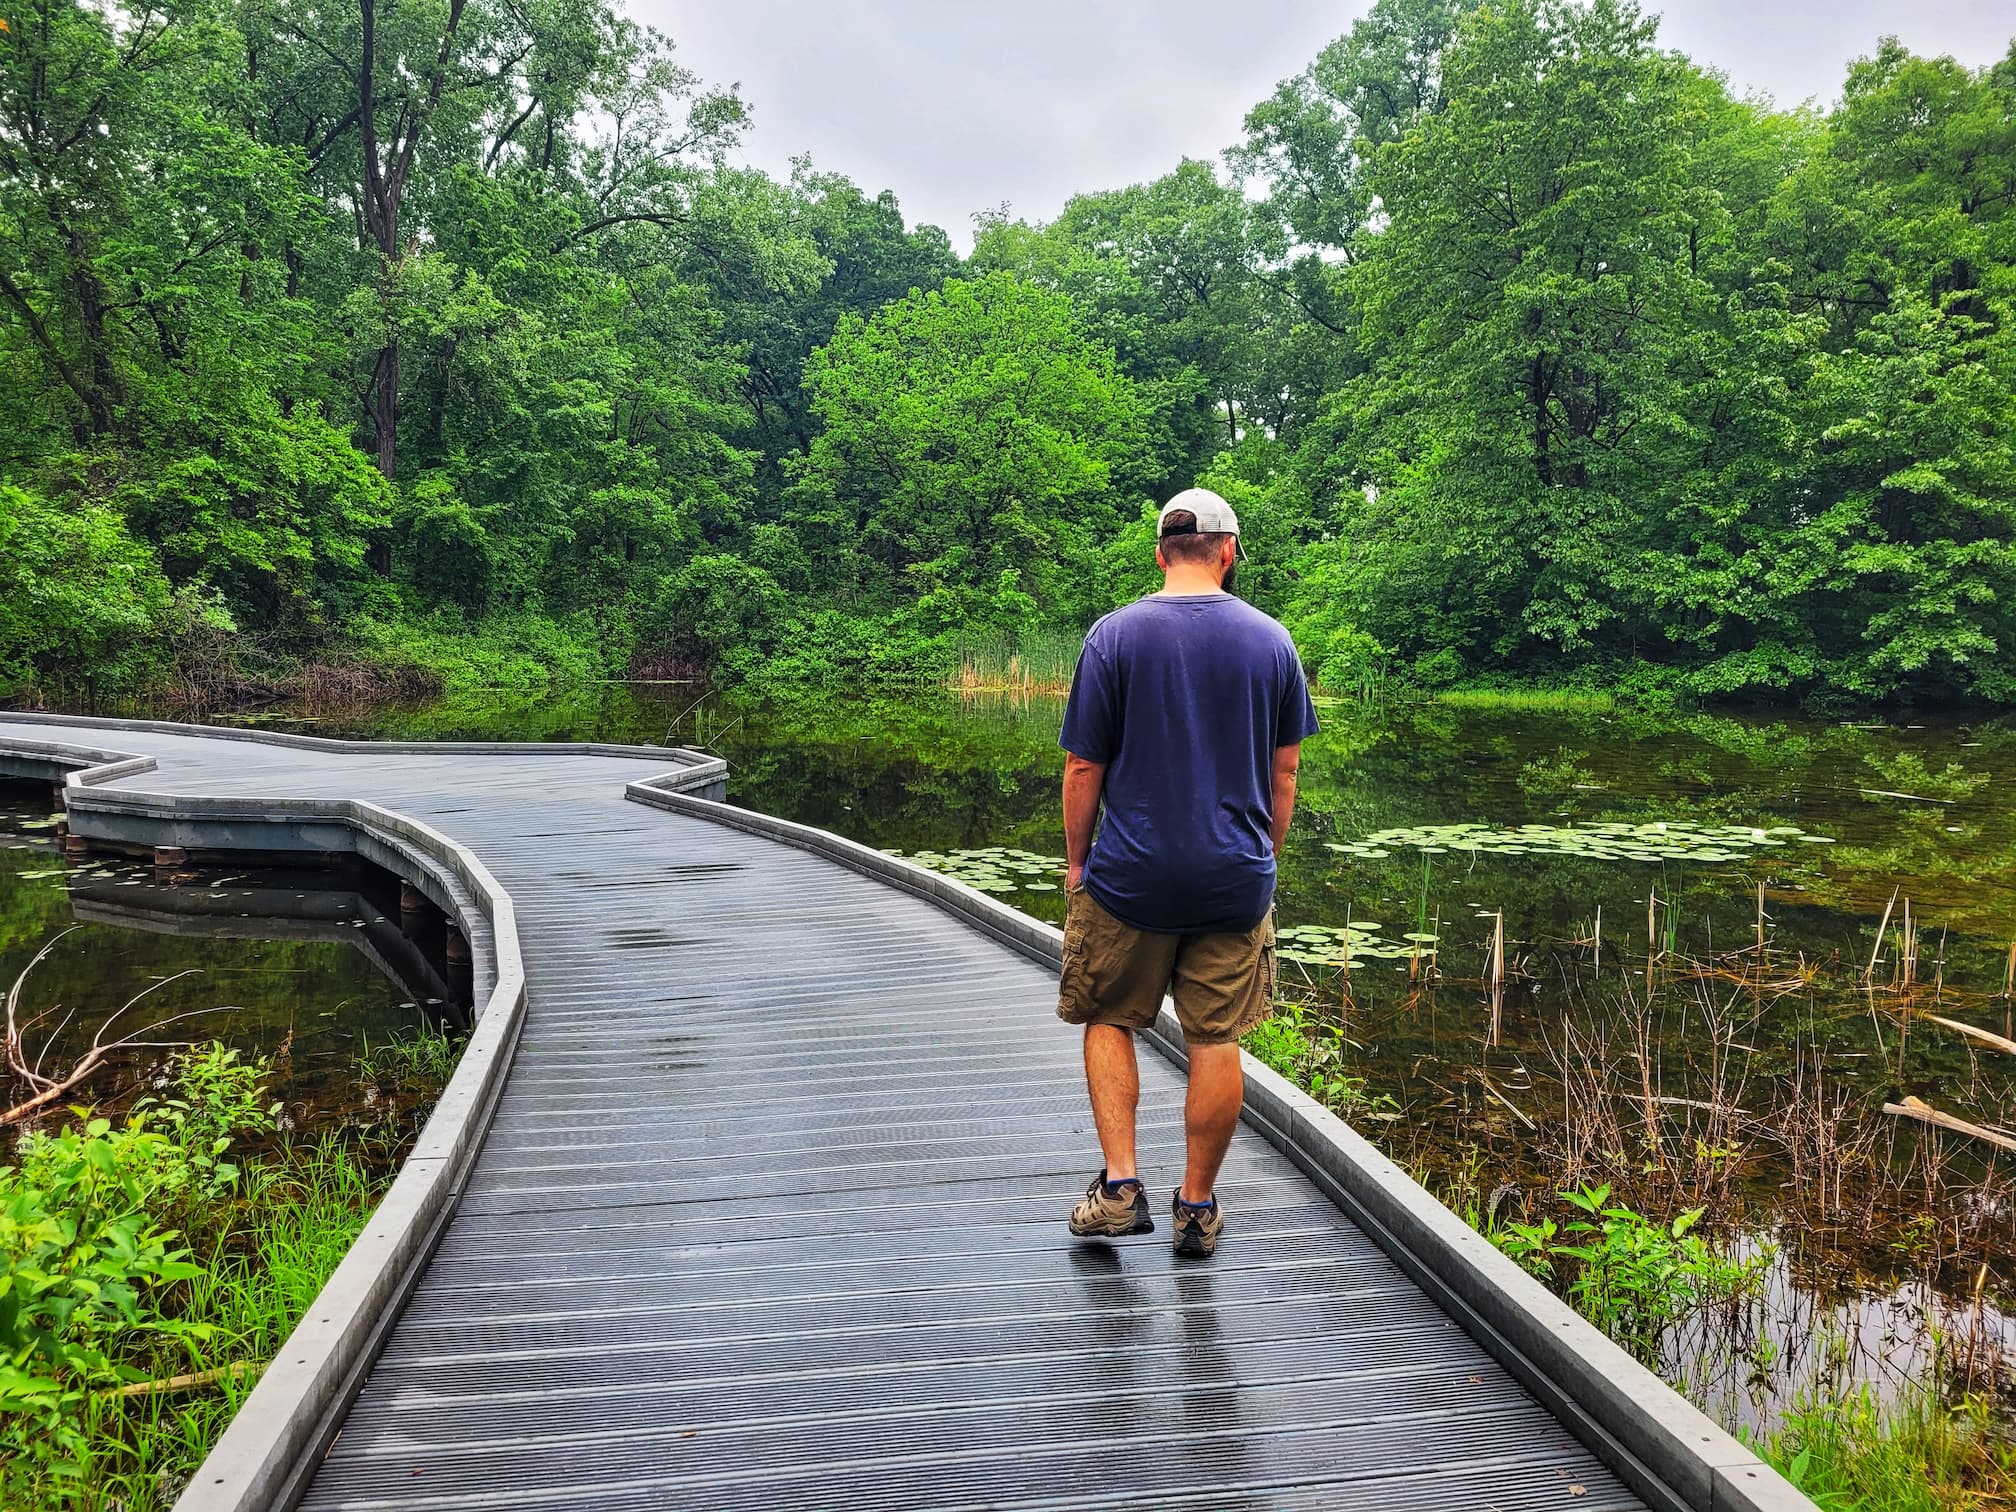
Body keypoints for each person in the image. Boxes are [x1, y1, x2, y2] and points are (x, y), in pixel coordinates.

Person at [1056, 487, 1320, 1258]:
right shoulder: (1272, 642)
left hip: (1130, 877)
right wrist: (1264, 855)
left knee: (1109, 1016)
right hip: (1232, 880)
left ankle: (1119, 1189)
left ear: (1161, 551)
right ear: (1229, 550)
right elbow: (1287, 772)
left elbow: (1082, 767)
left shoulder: (1114, 637)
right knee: (1216, 1036)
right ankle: (1197, 1210)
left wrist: (1079, 861)